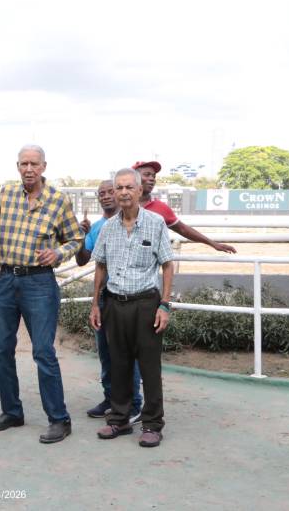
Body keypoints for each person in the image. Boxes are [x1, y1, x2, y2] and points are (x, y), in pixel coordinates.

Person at [0, 144, 84, 444]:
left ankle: (59, 419)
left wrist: (58, 253)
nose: (28, 169)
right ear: (17, 167)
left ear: (44, 166)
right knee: (3, 350)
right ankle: (12, 412)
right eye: (23, 164)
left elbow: (75, 238)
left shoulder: (58, 200)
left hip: (39, 284)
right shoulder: (6, 194)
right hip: (6, 281)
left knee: (43, 352)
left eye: (34, 164)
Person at [90, 167, 174, 448]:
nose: (124, 192)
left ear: (139, 191)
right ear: (114, 192)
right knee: (119, 365)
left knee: (149, 367)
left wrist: (165, 304)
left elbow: (167, 264)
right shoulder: (107, 228)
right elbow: (100, 265)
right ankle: (119, 420)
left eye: (129, 187)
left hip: (147, 304)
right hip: (115, 304)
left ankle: (152, 424)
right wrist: (96, 304)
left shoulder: (156, 222)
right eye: (119, 188)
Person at [76, 180, 143, 424]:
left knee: (127, 355)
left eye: (108, 192)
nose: (105, 197)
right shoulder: (97, 227)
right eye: (101, 194)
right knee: (105, 354)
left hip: (128, 299)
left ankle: (134, 403)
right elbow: (84, 260)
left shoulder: (136, 222)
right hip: (104, 299)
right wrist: (80, 237)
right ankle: (111, 398)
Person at [132, 161, 237, 254]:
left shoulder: (161, 207)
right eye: (147, 175)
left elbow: (183, 229)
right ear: (133, 178)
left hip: (146, 271)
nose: (152, 179)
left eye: (154, 176)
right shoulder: (119, 204)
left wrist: (213, 244)